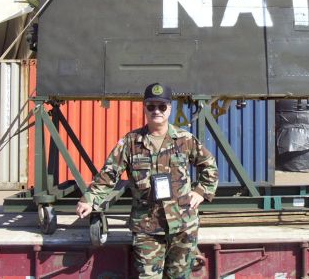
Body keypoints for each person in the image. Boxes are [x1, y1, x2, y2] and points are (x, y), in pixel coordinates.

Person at [76, 83, 218, 278]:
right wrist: (90, 199)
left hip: (183, 226)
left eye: (162, 106)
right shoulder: (130, 142)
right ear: (144, 107)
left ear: (170, 108)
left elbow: (209, 165)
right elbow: (109, 174)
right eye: (151, 106)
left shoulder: (185, 139)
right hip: (147, 228)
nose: (156, 111)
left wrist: (201, 191)